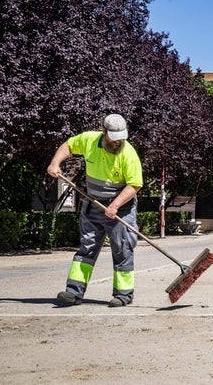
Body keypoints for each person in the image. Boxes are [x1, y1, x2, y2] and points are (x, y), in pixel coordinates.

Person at [47, 114, 143, 307]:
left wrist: (115, 205)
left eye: (121, 138)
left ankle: (123, 295)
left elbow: (134, 185)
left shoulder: (128, 154)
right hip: (93, 204)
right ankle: (74, 292)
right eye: (113, 137)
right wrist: (55, 163)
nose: (117, 142)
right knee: (87, 246)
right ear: (104, 131)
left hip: (121, 208)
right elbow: (68, 146)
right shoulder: (89, 140)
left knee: (122, 247)